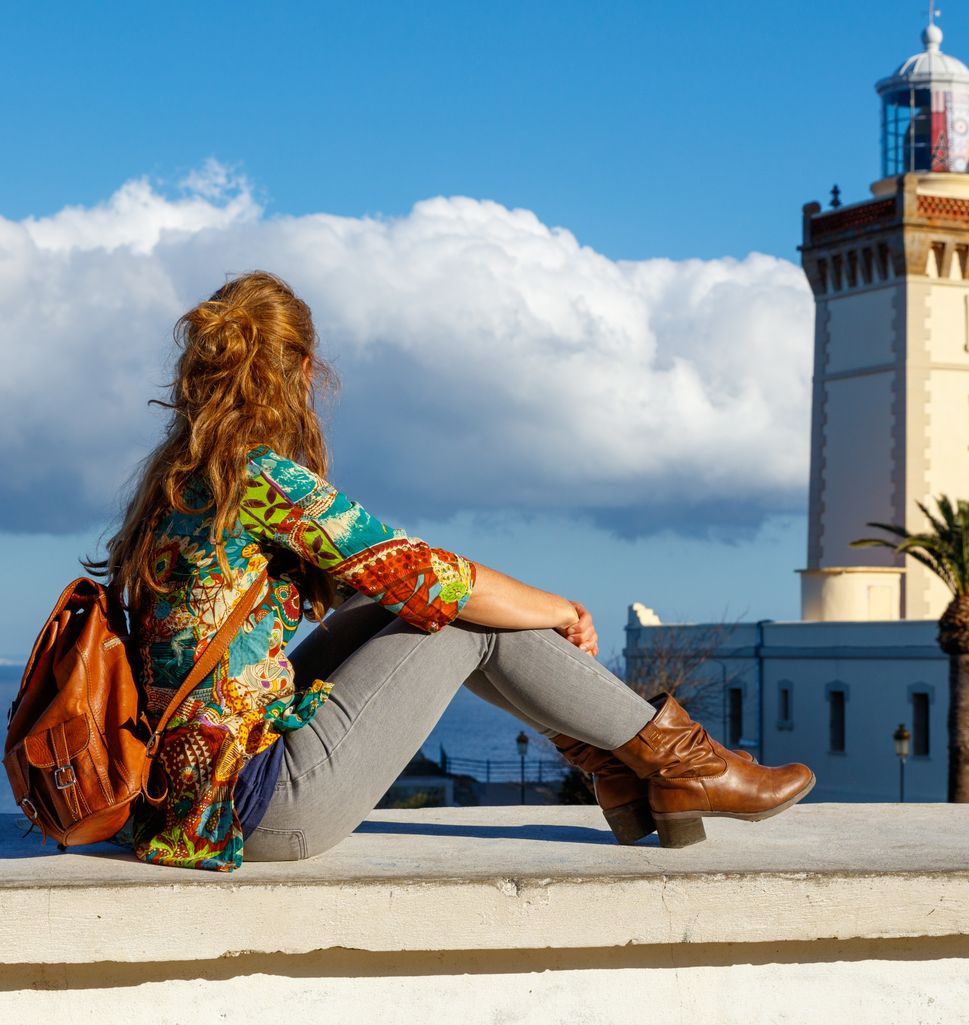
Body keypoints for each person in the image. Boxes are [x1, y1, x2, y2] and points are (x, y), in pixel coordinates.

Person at [88, 270, 814, 872]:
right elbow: (435, 579)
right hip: (256, 806)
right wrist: (559, 609)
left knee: (390, 609)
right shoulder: (262, 482)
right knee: (457, 622)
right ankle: (680, 766)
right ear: (301, 372)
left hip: (174, 798)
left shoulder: (177, 487)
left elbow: (387, 585)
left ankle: (623, 770)